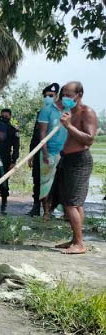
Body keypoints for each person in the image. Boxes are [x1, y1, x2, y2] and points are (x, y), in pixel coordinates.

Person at [53, 81, 98, 254]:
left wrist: (69, 126)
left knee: (72, 204)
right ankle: (75, 239)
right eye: (63, 94)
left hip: (80, 160)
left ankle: (80, 244)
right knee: (71, 203)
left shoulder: (87, 113)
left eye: (69, 95)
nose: (65, 98)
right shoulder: (68, 111)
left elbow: (89, 139)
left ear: (79, 95)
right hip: (67, 159)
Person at [28, 83, 60, 216]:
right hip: (39, 152)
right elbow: (36, 136)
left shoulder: (61, 113)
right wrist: (31, 154)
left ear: (57, 96)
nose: (47, 98)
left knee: (55, 182)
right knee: (38, 180)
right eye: (45, 96)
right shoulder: (41, 114)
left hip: (55, 153)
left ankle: (51, 210)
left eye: (50, 96)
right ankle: (36, 207)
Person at [38, 87, 69, 221]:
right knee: (46, 184)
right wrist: (45, 153)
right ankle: (46, 212)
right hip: (49, 152)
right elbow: (42, 133)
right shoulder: (47, 110)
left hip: (65, 154)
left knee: (65, 184)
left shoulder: (69, 112)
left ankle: (65, 213)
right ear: (61, 96)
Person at [0, 108, 20, 215]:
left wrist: (13, 162)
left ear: (10, 117)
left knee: (4, 182)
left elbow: (16, 148)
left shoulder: (13, 130)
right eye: (2, 116)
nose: (4, 118)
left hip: (6, 159)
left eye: (6, 116)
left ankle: (4, 203)